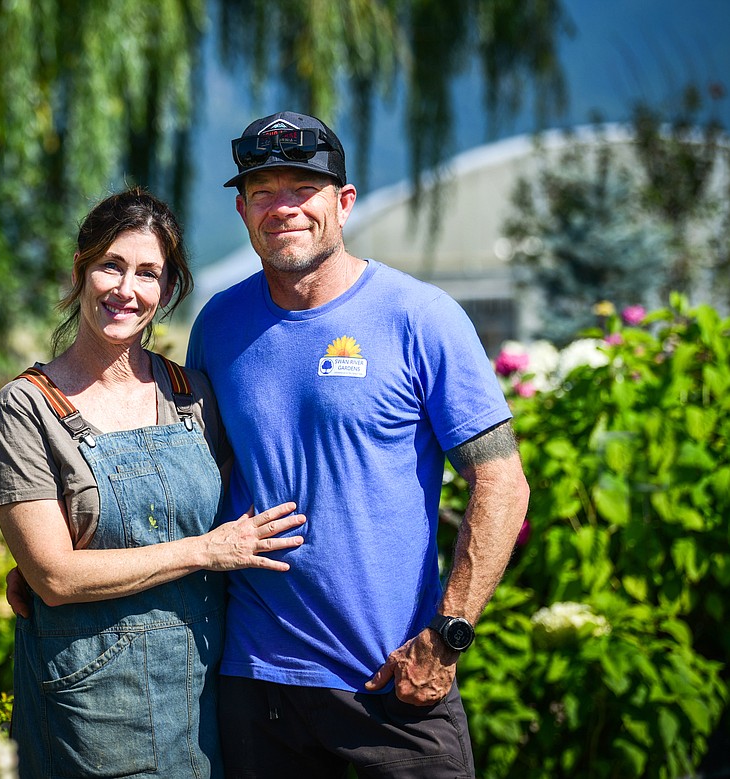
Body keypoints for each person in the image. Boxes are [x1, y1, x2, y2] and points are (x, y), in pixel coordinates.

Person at [184, 110, 531, 778]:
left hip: (394, 683)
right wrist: (66, 562)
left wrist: (448, 635)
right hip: (257, 686)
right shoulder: (220, 323)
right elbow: (193, 472)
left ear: (343, 203)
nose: (282, 207)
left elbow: (503, 483)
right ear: (241, 208)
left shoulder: (420, 318)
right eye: (263, 192)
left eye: (302, 188)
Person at [0, 187, 306, 779]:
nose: (127, 290)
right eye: (112, 265)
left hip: (203, 696)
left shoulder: (194, 396)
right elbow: (53, 577)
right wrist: (206, 551)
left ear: (168, 289)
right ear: (81, 270)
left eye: (148, 273)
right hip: (89, 711)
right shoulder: (26, 409)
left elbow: (244, 504)